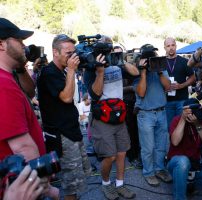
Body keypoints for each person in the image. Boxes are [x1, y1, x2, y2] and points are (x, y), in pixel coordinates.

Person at [0, 17, 58, 199]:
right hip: (25, 187)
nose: (24, 46)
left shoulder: (8, 78)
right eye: (18, 40)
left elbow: (30, 92)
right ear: (1, 45)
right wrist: (45, 190)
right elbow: (23, 147)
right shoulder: (2, 84)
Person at [37, 34, 92, 200]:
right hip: (63, 136)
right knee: (70, 185)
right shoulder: (49, 73)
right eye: (68, 53)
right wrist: (72, 70)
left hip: (71, 131)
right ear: (55, 52)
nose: (72, 57)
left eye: (73, 52)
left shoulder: (61, 71)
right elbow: (67, 97)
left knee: (76, 179)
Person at [84, 36, 138, 200]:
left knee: (121, 153)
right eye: (103, 50)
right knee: (110, 156)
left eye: (109, 49)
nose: (106, 53)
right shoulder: (90, 68)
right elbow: (95, 94)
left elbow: (135, 72)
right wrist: (100, 71)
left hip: (119, 115)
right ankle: (106, 184)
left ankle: (120, 185)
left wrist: (120, 60)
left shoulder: (116, 63)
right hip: (102, 118)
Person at [134, 44, 172, 187]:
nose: (151, 61)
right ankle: (149, 172)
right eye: (148, 58)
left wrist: (160, 71)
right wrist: (143, 72)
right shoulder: (136, 72)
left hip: (161, 112)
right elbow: (141, 92)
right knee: (148, 147)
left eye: (153, 58)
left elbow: (168, 87)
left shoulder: (160, 68)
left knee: (161, 145)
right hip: (146, 114)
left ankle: (159, 169)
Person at [113, 45, 142, 169]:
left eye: (120, 54)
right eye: (114, 54)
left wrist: (123, 62)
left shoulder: (127, 68)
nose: (117, 57)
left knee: (133, 131)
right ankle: (116, 155)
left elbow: (136, 75)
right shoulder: (109, 68)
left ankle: (133, 156)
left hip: (129, 104)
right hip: (114, 106)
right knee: (116, 132)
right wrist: (129, 88)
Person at [164, 37, 196, 128]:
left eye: (173, 45)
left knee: (182, 127)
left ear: (176, 46)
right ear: (165, 48)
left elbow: (193, 77)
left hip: (181, 101)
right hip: (166, 102)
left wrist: (181, 85)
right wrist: (164, 88)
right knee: (169, 128)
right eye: (168, 46)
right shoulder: (161, 62)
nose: (171, 48)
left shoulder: (184, 61)